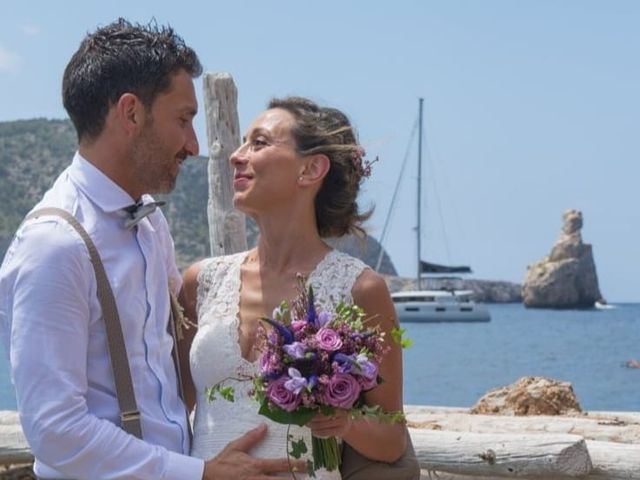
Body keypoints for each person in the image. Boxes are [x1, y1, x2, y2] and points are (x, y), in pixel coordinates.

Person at [0, 18, 301, 480]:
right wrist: (196, 473)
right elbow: (55, 430)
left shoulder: (151, 223)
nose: (193, 144)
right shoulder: (55, 245)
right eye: (183, 119)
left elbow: (171, 364)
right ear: (131, 113)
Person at [179, 97, 412, 478]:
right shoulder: (201, 282)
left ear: (311, 169)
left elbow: (391, 441)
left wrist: (345, 423)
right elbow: (169, 412)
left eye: (259, 142)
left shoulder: (361, 288)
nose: (236, 156)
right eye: (242, 143)